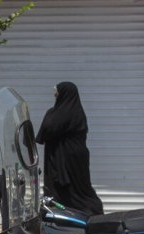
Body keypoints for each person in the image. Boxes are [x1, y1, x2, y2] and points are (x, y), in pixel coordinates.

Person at [35, 81, 104, 216]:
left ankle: (91, 214)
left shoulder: (67, 113)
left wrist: (50, 113)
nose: (55, 95)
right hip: (61, 158)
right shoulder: (68, 112)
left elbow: (48, 128)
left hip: (70, 161)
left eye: (57, 92)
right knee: (64, 191)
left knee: (77, 190)